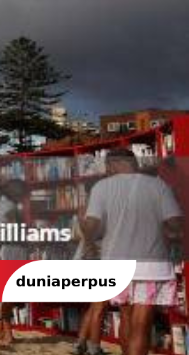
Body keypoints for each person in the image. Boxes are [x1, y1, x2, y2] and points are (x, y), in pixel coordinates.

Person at [84, 148, 183, 355]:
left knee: (126, 317)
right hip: (151, 264)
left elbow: (91, 225)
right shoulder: (158, 185)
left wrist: (91, 245)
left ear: (112, 165)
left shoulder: (101, 187)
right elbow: (175, 224)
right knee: (141, 323)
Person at [72, 183, 107, 355]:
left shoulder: (84, 209)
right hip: (96, 259)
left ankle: (80, 343)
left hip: (85, 259)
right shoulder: (96, 210)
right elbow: (92, 237)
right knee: (99, 307)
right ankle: (94, 347)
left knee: (94, 307)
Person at [0, 179, 28, 345]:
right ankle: (7, 333)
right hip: (12, 251)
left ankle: (2, 330)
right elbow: (16, 230)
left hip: (10, 250)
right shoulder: (9, 208)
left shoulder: (4, 205)